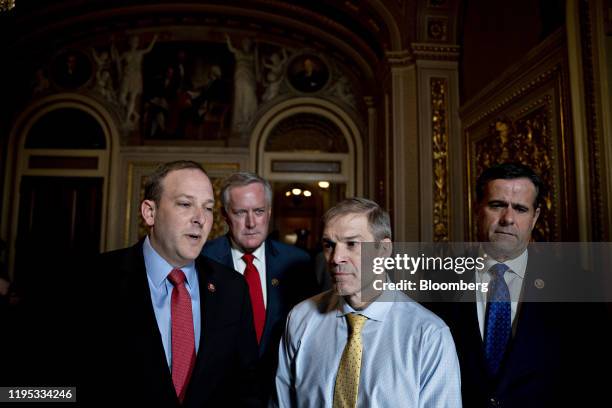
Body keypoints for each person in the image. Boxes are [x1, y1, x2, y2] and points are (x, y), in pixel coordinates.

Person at [429, 162, 611, 407]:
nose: (508, 219)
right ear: (477, 208)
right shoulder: (438, 282)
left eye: (521, 209)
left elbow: (595, 380)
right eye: (497, 205)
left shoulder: (578, 285)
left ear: (534, 217)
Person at [90, 161, 261, 407]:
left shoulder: (232, 288)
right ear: (150, 212)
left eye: (208, 208)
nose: (200, 219)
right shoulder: (94, 280)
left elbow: (246, 386)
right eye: (185, 204)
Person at [272, 198, 461, 407]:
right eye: (329, 245)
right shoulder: (301, 318)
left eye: (352, 244)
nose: (336, 258)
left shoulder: (428, 334)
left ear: (384, 250)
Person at [202, 172, 316, 400]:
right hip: (219, 396)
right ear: (225, 215)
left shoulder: (298, 263)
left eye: (259, 211)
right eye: (241, 212)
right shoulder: (203, 261)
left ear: (269, 213)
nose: (251, 223)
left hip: (281, 393)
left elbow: (311, 334)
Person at [113, 34, 158, 125]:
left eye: (136, 42)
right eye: (133, 41)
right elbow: (116, 60)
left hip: (136, 76)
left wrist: (154, 38)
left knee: (132, 98)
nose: (134, 43)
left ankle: (127, 119)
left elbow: (148, 49)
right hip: (127, 75)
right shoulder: (126, 54)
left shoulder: (139, 52)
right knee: (121, 97)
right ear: (130, 43)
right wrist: (112, 47)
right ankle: (134, 114)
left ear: (137, 44)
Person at [225, 34, 258, 133]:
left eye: (248, 43)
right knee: (240, 97)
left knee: (250, 96)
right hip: (240, 76)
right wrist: (228, 40)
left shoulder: (252, 55)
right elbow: (231, 48)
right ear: (243, 44)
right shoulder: (239, 52)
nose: (247, 45)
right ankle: (240, 122)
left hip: (250, 77)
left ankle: (249, 120)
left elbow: (256, 68)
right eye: (245, 43)